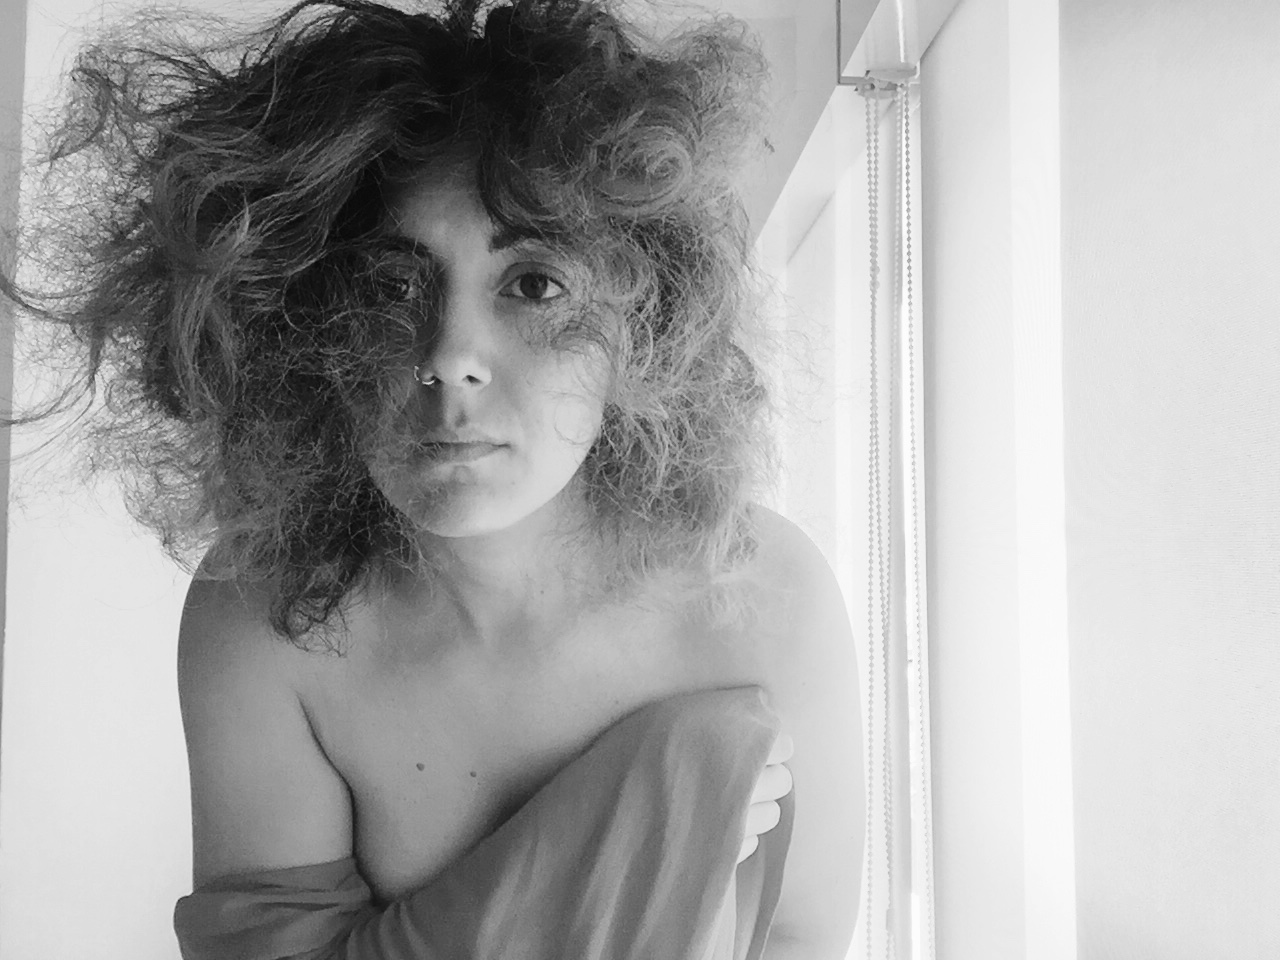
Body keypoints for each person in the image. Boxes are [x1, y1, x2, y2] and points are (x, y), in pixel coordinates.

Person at [3, 0, 863, 955]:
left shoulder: (764, 594)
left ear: (642, 323)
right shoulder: (267, 617)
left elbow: (805, 941)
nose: (450, 356)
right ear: (297, 332)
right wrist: (619, 837)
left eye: (534, 284)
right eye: (388, 287)